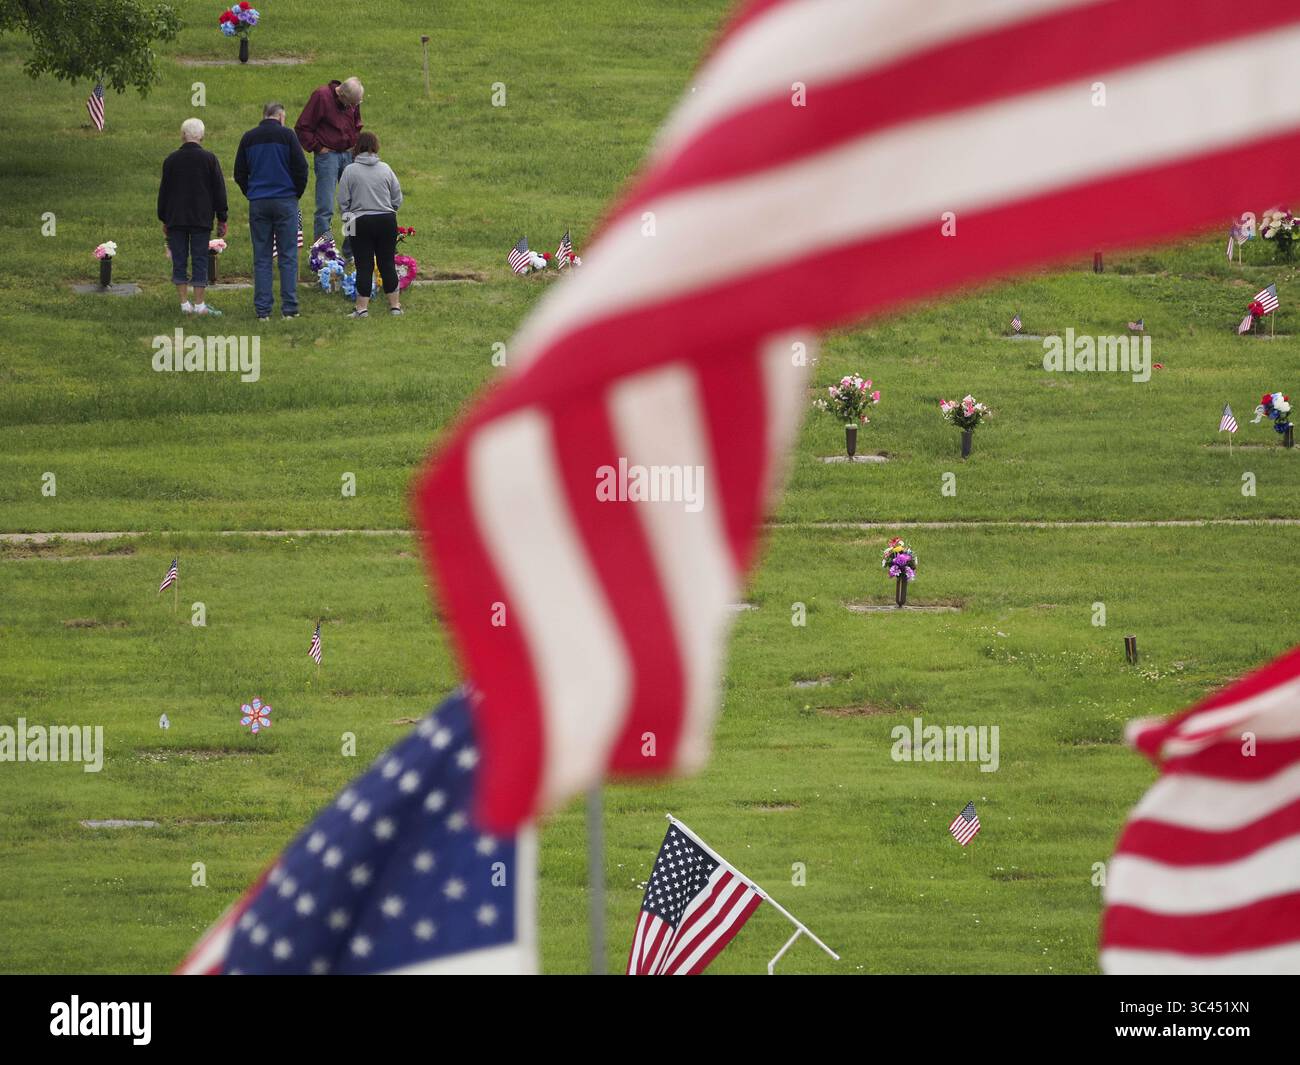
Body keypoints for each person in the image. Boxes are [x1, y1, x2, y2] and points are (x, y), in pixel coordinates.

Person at [234, 102, 308, 321]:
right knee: (288, 255)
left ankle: (263, 311)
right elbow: (301, 168)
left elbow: (239, 173)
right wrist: (295, 194)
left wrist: (252, 193)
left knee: (262, 257)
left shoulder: (248, 137)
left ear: (263, 115)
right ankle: (289, 309)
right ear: (281, 116)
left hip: (259, 201)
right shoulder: (288, 136)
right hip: (285, 200)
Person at [157, 117, 228, 317]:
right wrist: (222, 217)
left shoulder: (171, 160)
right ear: (202, 136)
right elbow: (219, 191)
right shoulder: (210, 159)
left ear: (182, 136)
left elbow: (164, 192)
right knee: (199, 260)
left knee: (179, 259)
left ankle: (184, 304)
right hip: (201, 219)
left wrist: (164, 218)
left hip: (176, 219)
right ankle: (199, 304)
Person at [336, 131, 404, 318]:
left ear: (357, 148)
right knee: (387, 263)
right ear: (376, 147)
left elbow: (343, 201)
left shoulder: (350, 170)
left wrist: (348, 221)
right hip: (386, 219)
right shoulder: (385, 168)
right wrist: (389, 210)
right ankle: (395, 307)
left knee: (364, 265)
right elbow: (397, 198)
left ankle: (362, 309)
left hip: (360, 220)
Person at [294, 77, 364, 251]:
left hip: (348, 155)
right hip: (328, 157)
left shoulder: (352, 102)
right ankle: (323, 253)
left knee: (352, 205)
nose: (352, 108)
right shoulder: (321, 96)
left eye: (355, 105)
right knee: (325, 207)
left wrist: (355, 144)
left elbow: (357, 123)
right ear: (341, 94)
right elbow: (302, 127)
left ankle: (351, 249)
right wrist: (318, 147)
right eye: (350, 104)